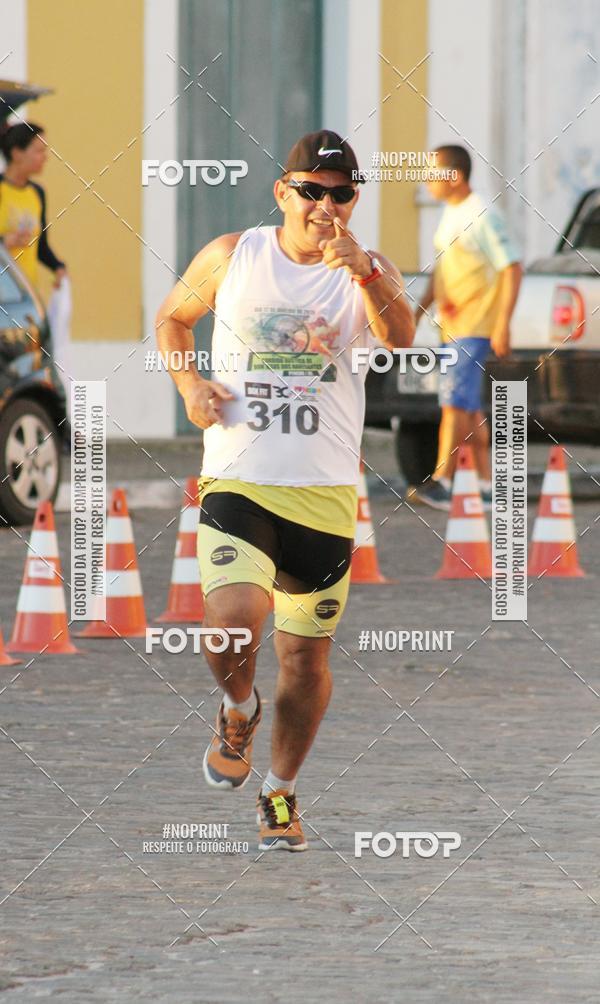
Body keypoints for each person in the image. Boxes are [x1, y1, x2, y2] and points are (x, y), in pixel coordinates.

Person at [156, 130, 415, 852]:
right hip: (240, 477)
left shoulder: (368, 270)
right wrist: (188, 384)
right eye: (311, 190)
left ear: (353, 200)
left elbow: (402, 338)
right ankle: (238, 706)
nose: (325, 205)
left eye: (340, 193)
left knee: (305, 662)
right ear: (284, 192)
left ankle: (280, 792)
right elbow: (173, 317)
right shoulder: (234, 254)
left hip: (326, 493)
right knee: (232, 621)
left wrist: (365, 272)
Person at [413, 144, 522, 510]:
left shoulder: (482, 215)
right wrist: (414, 313)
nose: (426, 182)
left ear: (454, 177)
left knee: (454, 403)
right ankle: (488, 487)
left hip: (475, 324)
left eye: (432, 175)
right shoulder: (450, 214)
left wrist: (502, 324)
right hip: (452, 326)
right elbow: (441, 272)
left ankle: (442, 480)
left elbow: (512, 267)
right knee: (471, 408)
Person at [0, 121, 67, 289]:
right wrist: (4, 242)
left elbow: (40, 245)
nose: (45, 157)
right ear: (17, 154)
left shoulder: (37, 193)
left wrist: (57, 267)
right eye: (39, 151)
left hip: (25, 297)